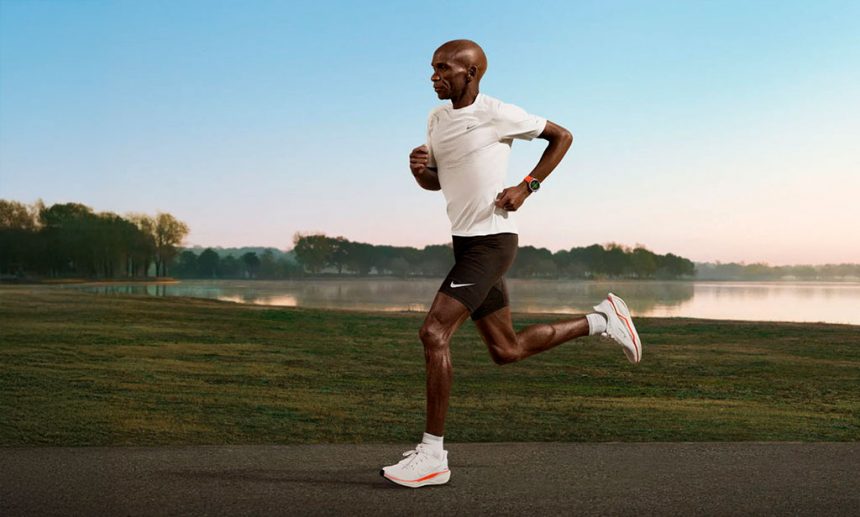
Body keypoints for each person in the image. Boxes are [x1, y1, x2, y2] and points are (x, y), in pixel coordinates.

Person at [380, 39, 642, 488]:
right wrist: (418, 170)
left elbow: (562, 136)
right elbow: (436, 182)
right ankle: (601, 320)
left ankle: (432, 456)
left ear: (471, 73)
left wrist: (527, 187)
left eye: (443, 69)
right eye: (432, 68)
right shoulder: (436, 118)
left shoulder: (499, 113)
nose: (433, 77)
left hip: (492, 243)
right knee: (507, 350)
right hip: (466, 245)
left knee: (433, 332)